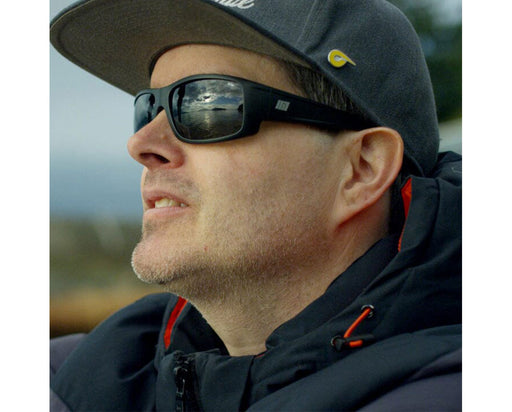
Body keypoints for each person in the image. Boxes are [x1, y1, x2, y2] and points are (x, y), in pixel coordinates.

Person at [50, 0, 461, 410]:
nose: (140, 144)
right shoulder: (69, 381)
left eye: (206, 104)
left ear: (362, 169)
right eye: (149, 108)